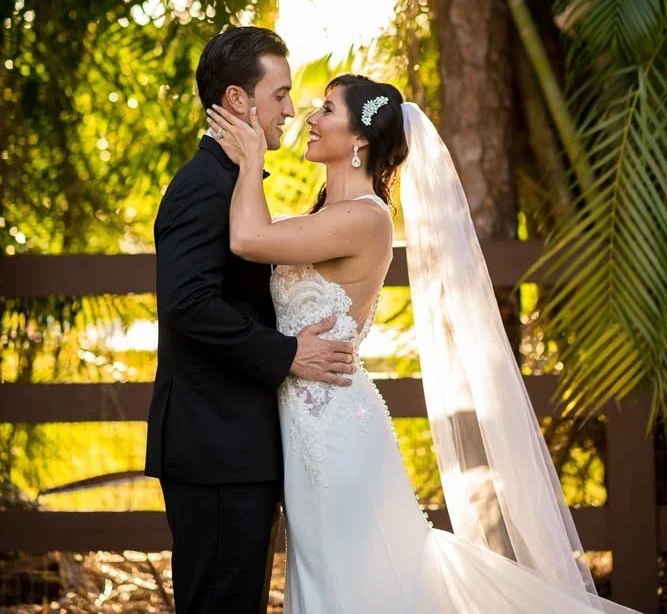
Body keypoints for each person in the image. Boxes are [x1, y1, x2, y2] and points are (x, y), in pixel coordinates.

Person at [206, 72, 642, 614]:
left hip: (335, 432)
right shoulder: (322, 218)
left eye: (327, 109)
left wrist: (250, 160)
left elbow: (248, 238)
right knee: (332, 578)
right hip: (307, 427)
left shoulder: (365, 219)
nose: (310, 119)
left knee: (348, 584)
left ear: (359, 138)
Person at [144, 27, 355, 614]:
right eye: (280, 94)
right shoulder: (202, 188)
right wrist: (288, 354)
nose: (290, 109)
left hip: (236, 448)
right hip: (215, 449)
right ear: (238, 100)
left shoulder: (231, 183)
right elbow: (188, 303)